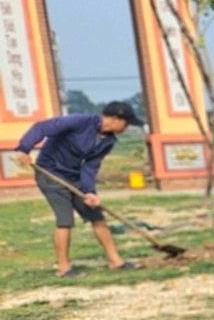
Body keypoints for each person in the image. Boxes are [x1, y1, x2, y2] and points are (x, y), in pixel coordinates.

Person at [12, 101, 143, 276]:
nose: (126, 128)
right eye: (126, 123)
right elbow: (40, 127)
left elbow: (90, 166)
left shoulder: (108, 141)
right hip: (50, 173)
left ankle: (115, 261)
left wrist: (89, 191)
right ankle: (63, 267)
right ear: (114, 119)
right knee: (65, 219)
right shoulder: (79, 122)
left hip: (74, 177)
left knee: (97, 216)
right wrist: (24, 148)